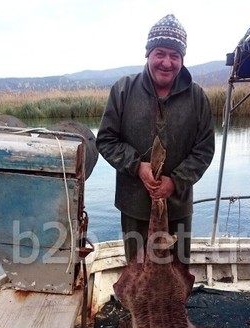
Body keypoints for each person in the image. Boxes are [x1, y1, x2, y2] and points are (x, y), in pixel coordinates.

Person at [96, 13, 215, 266]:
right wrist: (137, 166)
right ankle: (138, 308)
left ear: (182, 59)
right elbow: (106, 140)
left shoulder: (198, 98)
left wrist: (176, 181)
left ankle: (175, 307)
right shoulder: (123, 90)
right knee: (137, 275)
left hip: (177, 208)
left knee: (178, 275)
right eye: (160, 53)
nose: (167, 62)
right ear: (148, 54)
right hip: (134, 207)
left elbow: (204, 150)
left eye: (175, 55)